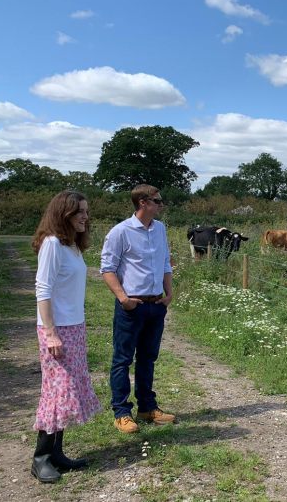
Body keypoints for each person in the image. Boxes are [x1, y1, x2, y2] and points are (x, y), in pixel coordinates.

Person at [31, 191, 102, 483]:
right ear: (64, 214)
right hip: (56, 330)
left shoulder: (72, 245)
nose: (85, 216)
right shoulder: (51, 244)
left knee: (67, 390)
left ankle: (57, 454)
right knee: (56, 392)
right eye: (79, 212)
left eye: (86, 211)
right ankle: (41, 458)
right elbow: (42, 290)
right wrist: (50, 334)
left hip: (74, 327)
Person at [100, 184, 175, 434]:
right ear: (143, 203)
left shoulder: (160, 229)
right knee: (122, 359)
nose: (162, 204)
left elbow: (165, 262)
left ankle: (146, 407)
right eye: (158, 200)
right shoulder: (120, 232)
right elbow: (107, 269)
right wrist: (123, 299)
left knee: (147, 358)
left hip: (156, 305)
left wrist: (169, 294)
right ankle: (121, 412)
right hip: (132, 306)